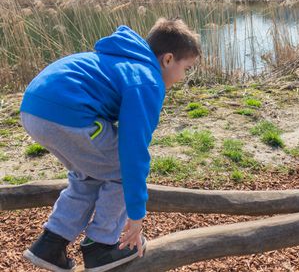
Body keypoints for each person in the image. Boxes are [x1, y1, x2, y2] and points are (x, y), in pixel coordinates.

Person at [20, 18, 201, 272]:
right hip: (68, 113)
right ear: (168, 59)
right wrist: (136, 216)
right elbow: (133, 151)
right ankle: (101, 246)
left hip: (34, 109)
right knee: (120, 170)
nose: (183, 77)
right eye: (187, 68)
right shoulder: (147, 79)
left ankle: (51, 244)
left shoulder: (126, 60)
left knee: (90, 174)